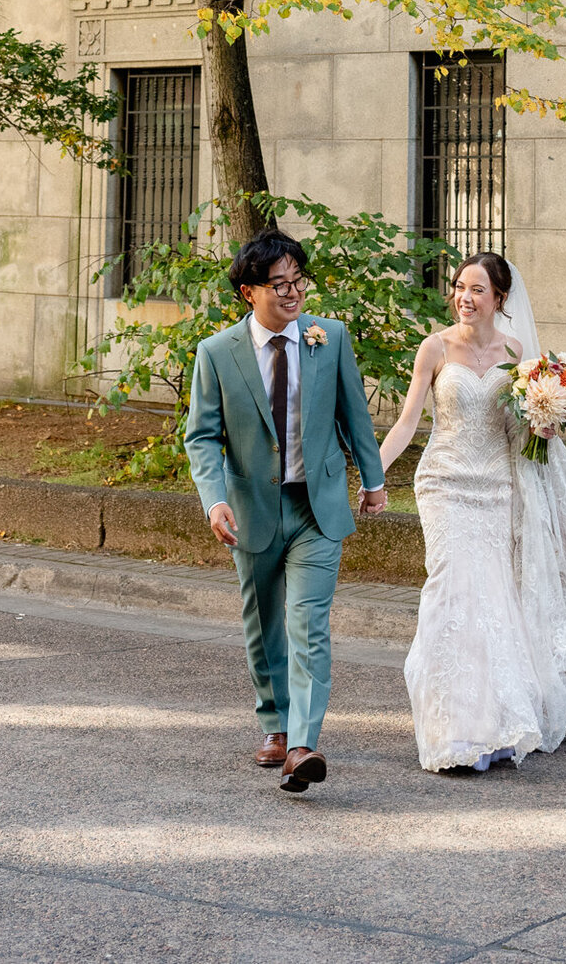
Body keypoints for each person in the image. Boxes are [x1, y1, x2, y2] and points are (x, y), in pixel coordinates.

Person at [375, 249, 566, 774]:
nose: (464, 297)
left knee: (495, 598)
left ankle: (497, 724)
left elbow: (519, 432)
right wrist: (375, 471)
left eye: (478, 290)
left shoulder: (518, 353)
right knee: (451, 590)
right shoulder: (434, 348)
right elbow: (409, 422)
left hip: (498, 486)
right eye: (459, 286)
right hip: (445, 483)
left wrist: (544, 426)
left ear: (500, 299)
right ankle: (450, 728)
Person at [184, 228, 388, 797]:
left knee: (308, 622)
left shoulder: (331, 339)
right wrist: (215, 498)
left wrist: (373, 481)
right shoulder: (218, 353)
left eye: (299, 281)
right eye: (280, 284)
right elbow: (201, 437)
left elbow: (354, 415)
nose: (293, 293)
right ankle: (273, 723)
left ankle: (302, 744)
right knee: (264, 622)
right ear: (249, 291)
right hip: (251, 508)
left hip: (317, 508)